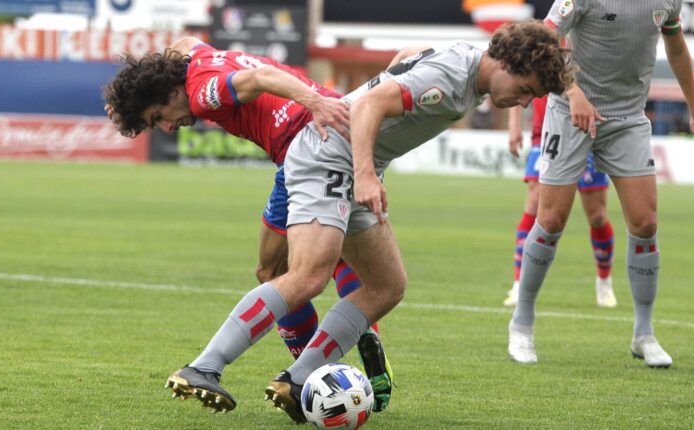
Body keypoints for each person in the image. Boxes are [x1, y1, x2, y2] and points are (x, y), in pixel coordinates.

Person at [178, 21, 573, 423]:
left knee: (386, 286)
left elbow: (408, 57)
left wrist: (386, 97)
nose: (524, 103)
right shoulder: (454, 75)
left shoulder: (466, 66)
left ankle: (298, 380)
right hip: (328, 157)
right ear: (509, 63)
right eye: (526, 91)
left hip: (351, 163)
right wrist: (365, 173)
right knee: (307, 276)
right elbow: (370, 105)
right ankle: (204, 367)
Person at [103, 37, 394, 412]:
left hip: (305, 144)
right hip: (340, 136)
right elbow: (181, 43)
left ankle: (307, 372)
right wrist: (125, 100)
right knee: (344, 258)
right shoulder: (196, 58)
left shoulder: (202, 94)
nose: (166, 128)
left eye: (157, 116)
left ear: (169, 91)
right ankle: (357, 337)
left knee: (277, 270)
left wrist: (315, 103)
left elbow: (262, 77)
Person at [508, 0, 694, 368]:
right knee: (551, 220)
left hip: (628, 118)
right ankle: (522, 321)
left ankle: (644, 334)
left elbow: (676, 46)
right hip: (570, 113)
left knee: (645, 223)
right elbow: (544, 42)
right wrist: (572, 91)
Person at [504, 96, 616, 308]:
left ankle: (604, 281)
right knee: (534, 204)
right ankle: (519, 282)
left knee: (597, 216)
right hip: (546, 131)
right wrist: (513, 124)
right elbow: (518, 71)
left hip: (585, 128)